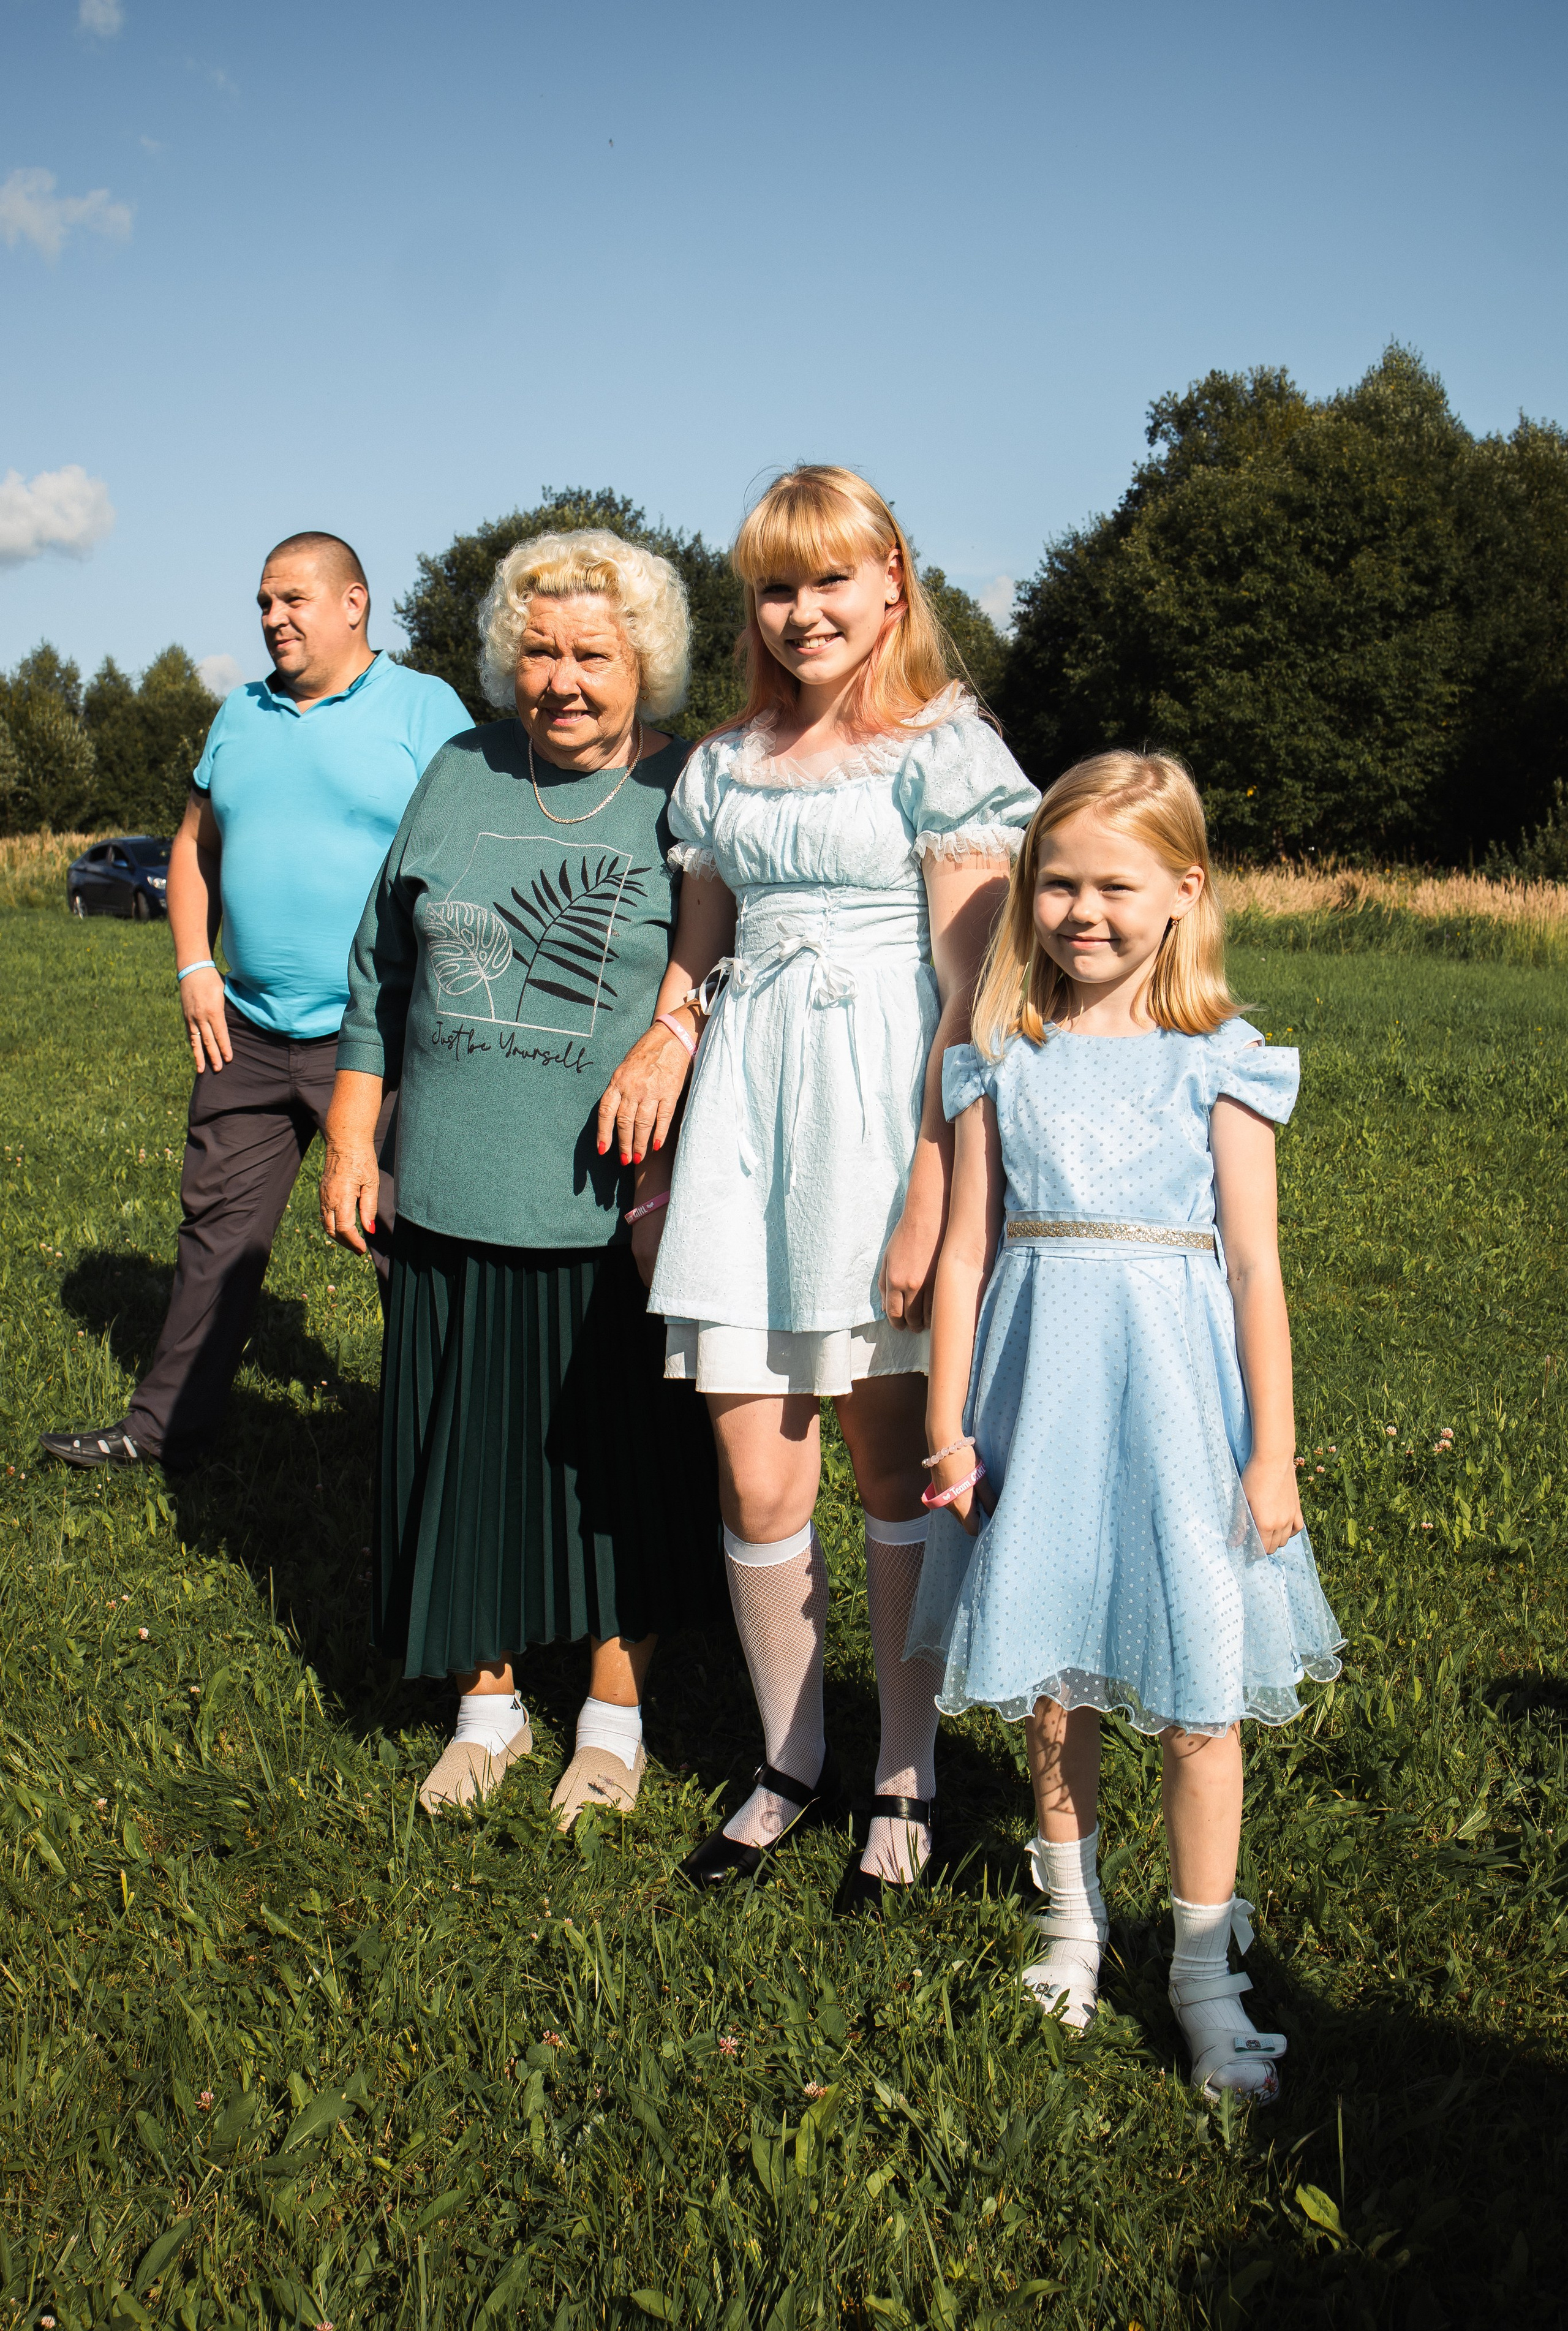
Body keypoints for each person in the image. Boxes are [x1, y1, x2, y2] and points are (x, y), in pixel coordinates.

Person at [597, 466, 1039, 1905]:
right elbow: (698, 949)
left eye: (830, 580)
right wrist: (664, 1046)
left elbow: (972, 1000)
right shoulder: (723, 766)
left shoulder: (943, 750)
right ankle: (789, 1761)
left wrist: (930, 1190)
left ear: (892, 582)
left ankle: (901, 1772)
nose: (802, 613)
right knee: (752, 1462)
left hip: (881, 1120)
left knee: (885, 1458)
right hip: (744, 1116)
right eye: (777, 588)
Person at [910, 750, 1344, 2099]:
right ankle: (1069, 1920)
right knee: (1052, 1674)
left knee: (1196, 1697)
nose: (1079, 911)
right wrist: (945, 1422)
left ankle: (1205, 1967)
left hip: (1176, 1413)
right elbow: (967, 1259)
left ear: (1181, 893)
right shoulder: (1003, 1060)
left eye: (1112, 884)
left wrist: (1268, 1450)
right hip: (1032, 1406)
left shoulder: (1219, 1063)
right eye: (1055, 883)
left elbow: (1256, 1268)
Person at [322, 528, 726, 1821]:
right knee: (463, 1457)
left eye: (591, 655)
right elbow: (379, 964)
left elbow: (739, 970)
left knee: (620, 1468)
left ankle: (613, 1716)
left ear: (643, 664)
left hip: (612, 1209)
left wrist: (678, 1038)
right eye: (538, 650)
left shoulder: (695, 798)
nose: (560, 679)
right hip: (442, 1186)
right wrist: (350, 1132)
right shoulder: (456, 769)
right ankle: (486, 1706)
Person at [40, 533, 470, 1473]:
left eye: (292, 601)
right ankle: (165, 1429)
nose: (273, 618)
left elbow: (469, 854)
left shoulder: (424, 709)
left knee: (416, 1247)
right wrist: (196, 965)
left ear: (354, 604)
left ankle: (456, 1453)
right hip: (246, 1031)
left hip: (383, 1040)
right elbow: (194, 843)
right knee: (214, 1239)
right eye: (263, 604)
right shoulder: (237, 714)